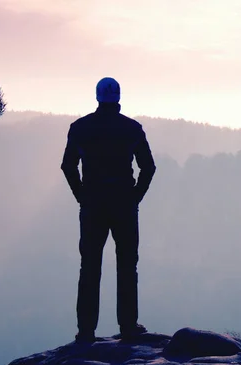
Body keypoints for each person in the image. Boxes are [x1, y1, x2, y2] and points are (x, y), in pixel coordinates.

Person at [61, 77, 156, 343]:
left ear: (97, 97)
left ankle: (86, 330)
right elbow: (148, 167)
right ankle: (128, 325)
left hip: (93, 203)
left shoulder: (80, 128)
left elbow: (68, 166)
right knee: (127, 264)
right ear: (118, 98)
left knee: (89, 266)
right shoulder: (132, 129)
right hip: (124, 203)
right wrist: (135, 196)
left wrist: (82, 195)